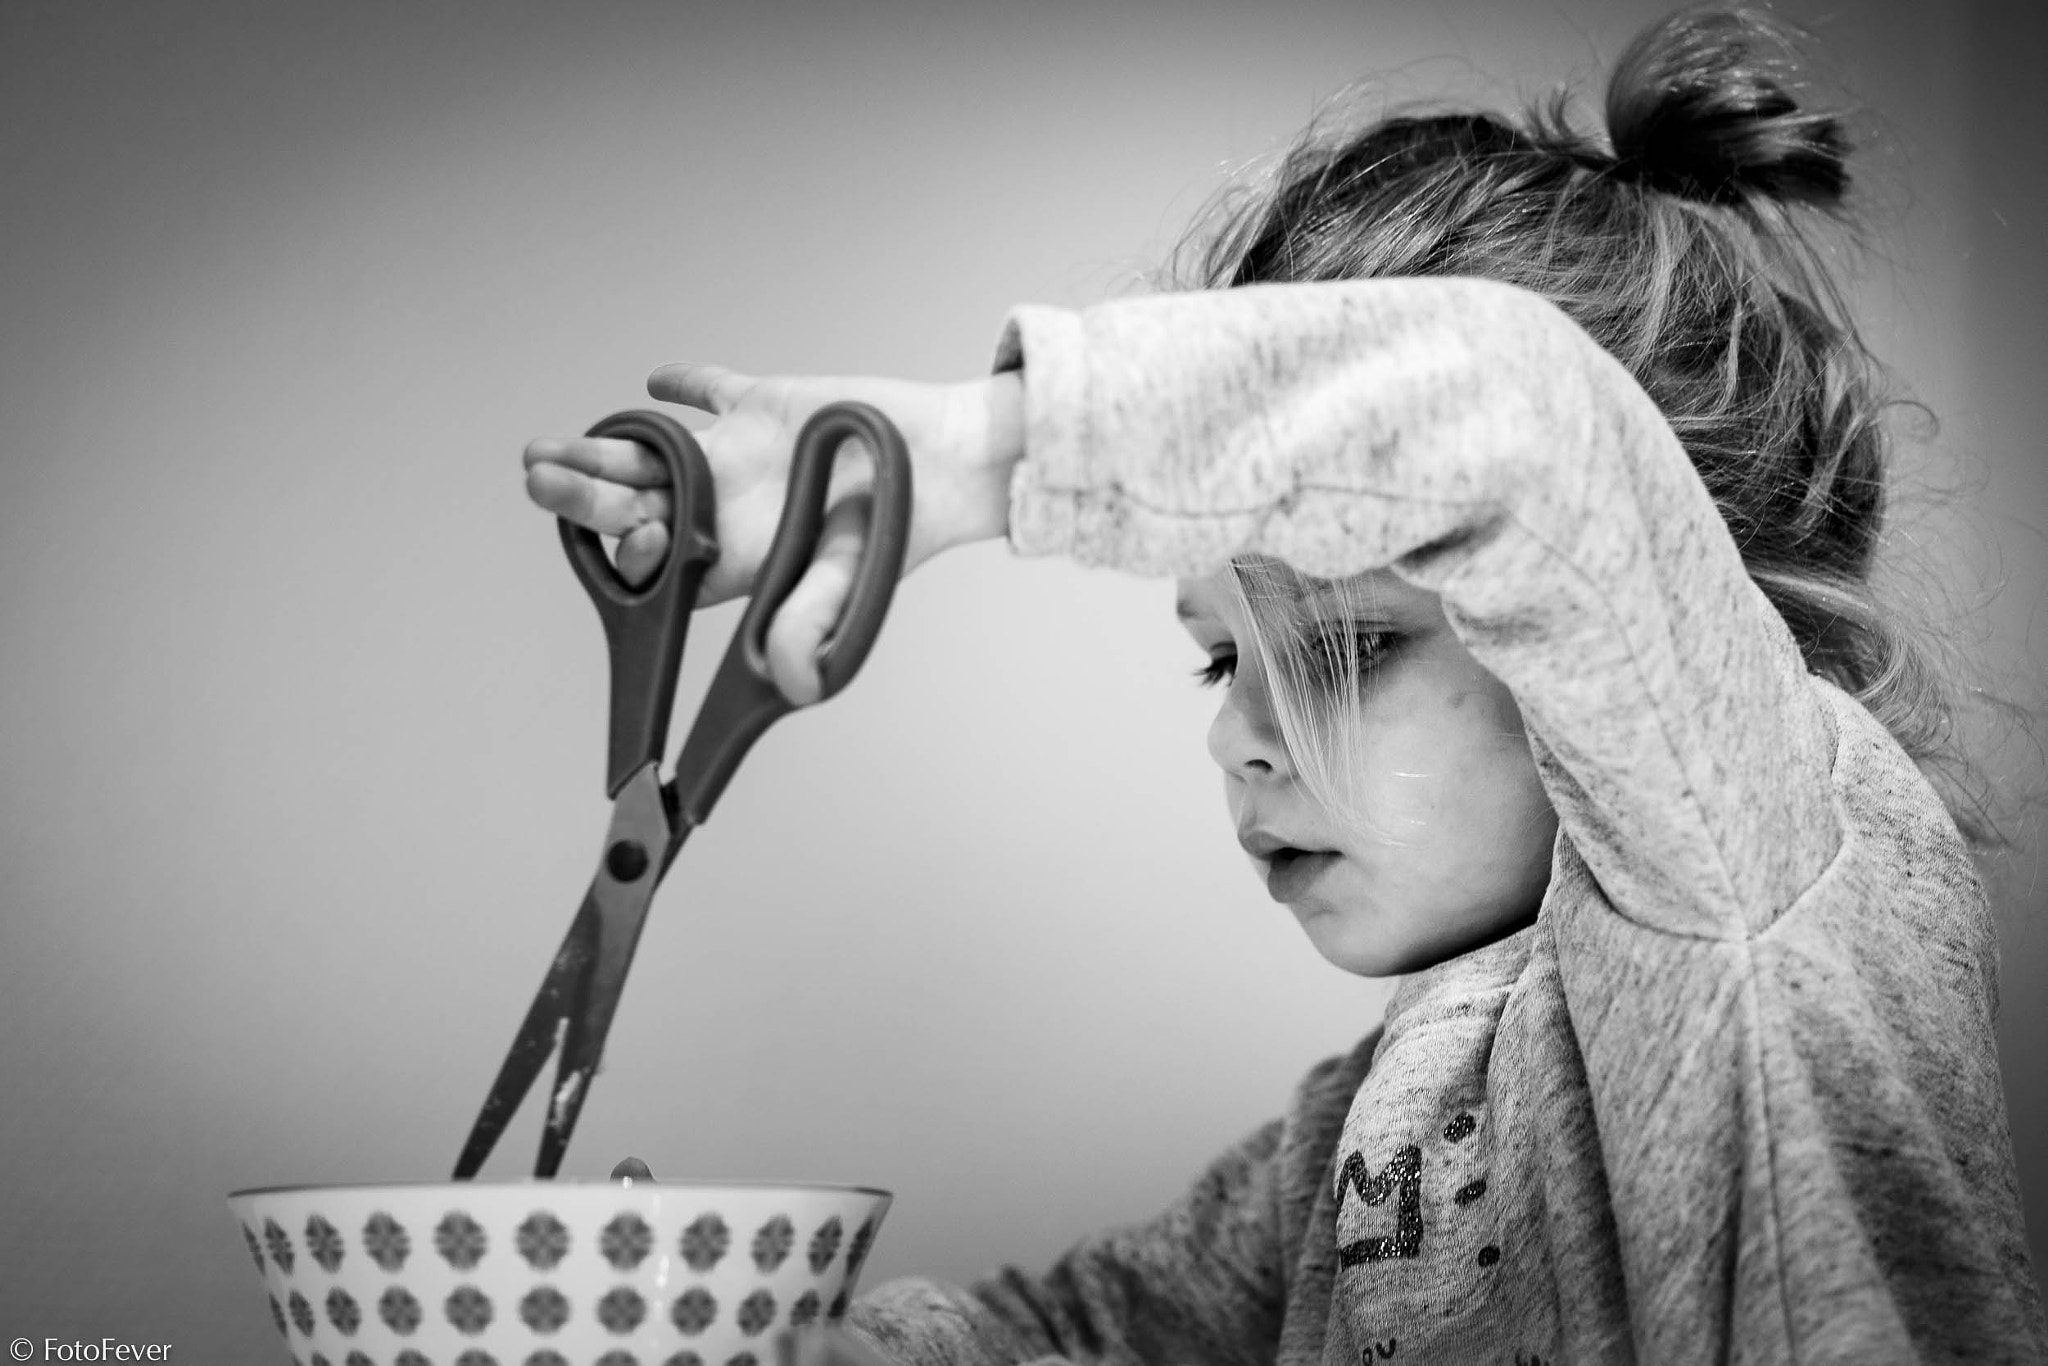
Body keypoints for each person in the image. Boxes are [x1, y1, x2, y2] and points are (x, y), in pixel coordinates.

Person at [522, 8, 2046, 1362]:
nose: (1237, 739)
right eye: (1221, 654)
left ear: (1639, 607)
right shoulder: (1375, 1116)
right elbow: (1089, 1333)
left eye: (1350, 643)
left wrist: (961, 453)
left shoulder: (1758, 861)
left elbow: (1522, 425)